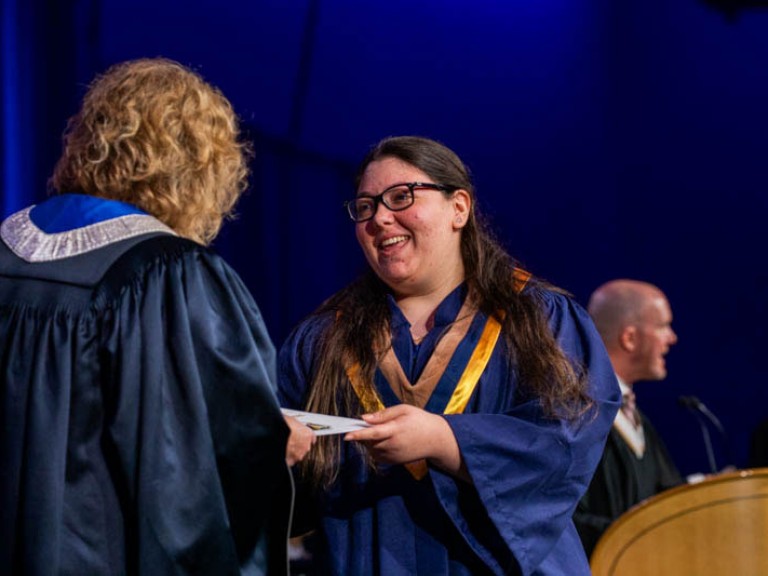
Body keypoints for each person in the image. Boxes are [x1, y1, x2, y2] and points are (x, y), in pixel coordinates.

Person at [0, 57, 313, 575]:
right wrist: (273, 440)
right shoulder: (169, 275)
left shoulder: (8, 249)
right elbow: (198, 470)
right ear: (197, 163)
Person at [278, 135, 621, 575]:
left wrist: (447, 440)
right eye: (365, 207)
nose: (381, 217)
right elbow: (286, 494)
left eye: (401, 197)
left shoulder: (539, 319)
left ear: (459, 207)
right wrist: (274, 454)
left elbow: (568, 444)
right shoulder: (323, 340)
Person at [574, 279, 683, 559]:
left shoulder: (637, 420)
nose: (672, 338)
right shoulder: (576, 414)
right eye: (662, 326)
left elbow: (669, 497)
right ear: (630, 338)